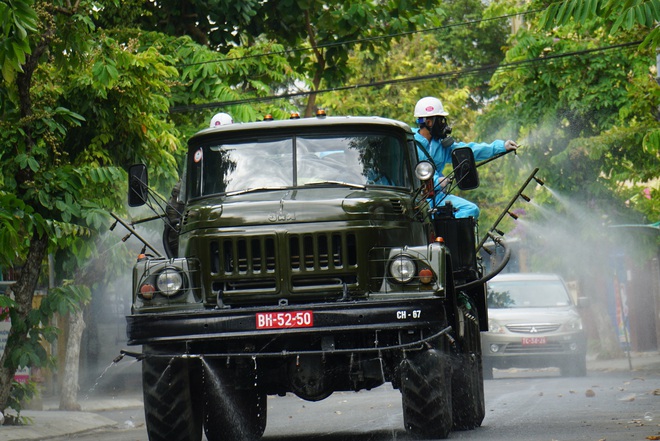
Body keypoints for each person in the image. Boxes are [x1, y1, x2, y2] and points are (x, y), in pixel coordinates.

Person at [413, 96, 518, 219]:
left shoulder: (441, 145)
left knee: (471, 210)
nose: (444, 124)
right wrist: (437, 181)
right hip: (415, 200)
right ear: (429, 122)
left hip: (437, 197)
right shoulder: (408, 142)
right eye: (440, 120)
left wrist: (501, 147)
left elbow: (468, 151)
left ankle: (446, 235)